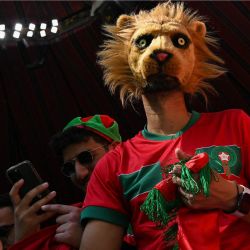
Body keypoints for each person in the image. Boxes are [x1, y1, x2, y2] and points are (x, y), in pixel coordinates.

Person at [79, 2, 250, 250]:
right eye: (142, 42)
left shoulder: (237, 125)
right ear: (126, 58)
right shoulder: (113, 166)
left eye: (179, 41)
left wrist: (236, 197)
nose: (161, 51)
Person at [9, 114, 122, 249]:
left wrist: (96, 239)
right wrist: (24, 239)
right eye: (69, 167)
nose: (80, 174)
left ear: (116, 149)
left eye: (86, 157)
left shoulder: (149, 191)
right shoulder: (70, 222)